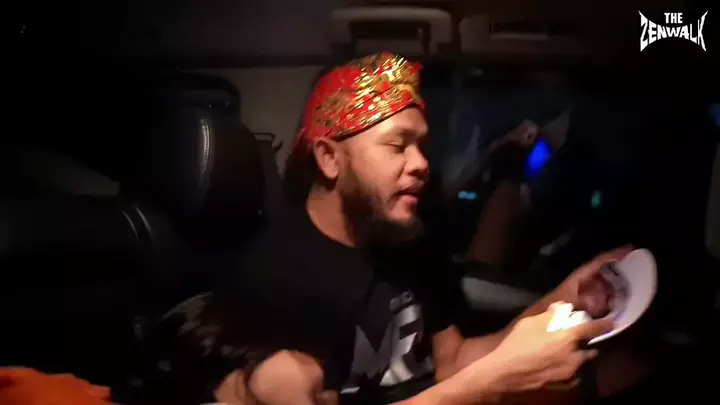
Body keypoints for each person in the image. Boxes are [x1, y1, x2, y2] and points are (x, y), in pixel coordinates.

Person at [214, 52, 627, 405]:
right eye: (397, 145)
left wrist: (562, 297)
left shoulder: (412, 242)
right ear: (329, 159)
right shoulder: (272, 277)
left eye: (422, 146)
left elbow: (453, 362)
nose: (422, 164)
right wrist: (491, 385)